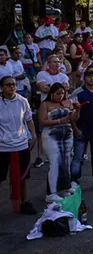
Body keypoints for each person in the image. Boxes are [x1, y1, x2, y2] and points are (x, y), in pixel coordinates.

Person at [0, 75, 37, 215]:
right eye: (8, 84)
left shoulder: (22, 101)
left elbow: (29, 120)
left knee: (23, 176)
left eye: (14, 84)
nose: (12, 87)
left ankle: (24, 202)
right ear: (2, 87)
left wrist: (33, 136)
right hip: (2, 146)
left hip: (21, 144)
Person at [38, 83, 77, 202]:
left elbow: (74, 119)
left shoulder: (68, 102)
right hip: (51, 135)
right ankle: (51, 192)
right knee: (55, 161)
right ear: (51, 93)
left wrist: (77, 110)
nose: (60, 96)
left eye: (62, 93)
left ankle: (65, 188)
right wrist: (60, 120)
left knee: (65, 161)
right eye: (57, 93)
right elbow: (42, 121)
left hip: (67, 134)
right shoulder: (45, 104)